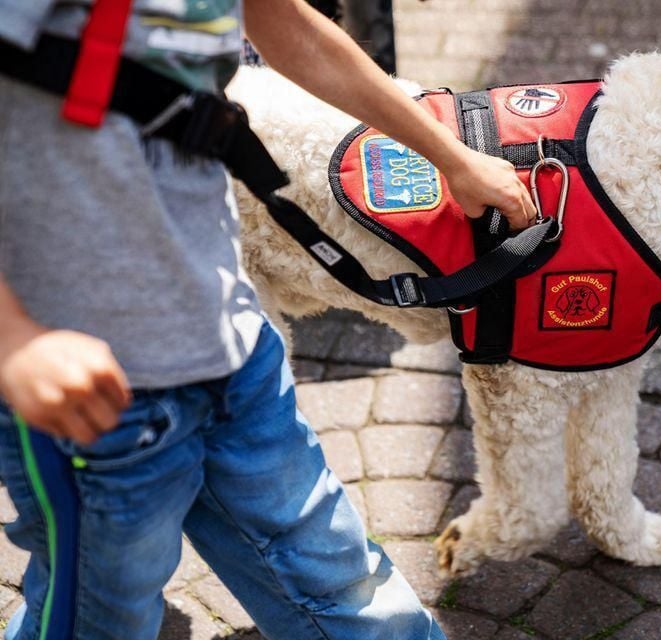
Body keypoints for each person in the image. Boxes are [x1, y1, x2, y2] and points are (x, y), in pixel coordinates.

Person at [0, 0, 536, 638]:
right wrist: (14, 339)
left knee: (345, 587)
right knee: (98, 620)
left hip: (232, 347)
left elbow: (287, 26)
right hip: (98, 394)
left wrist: (450, 156)